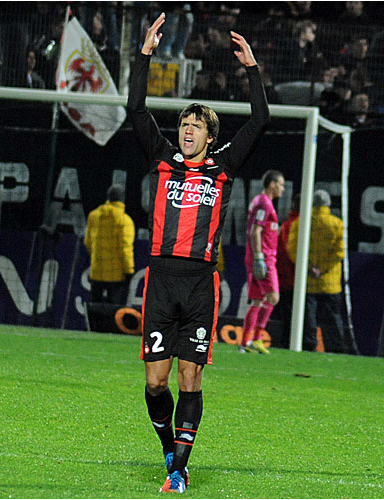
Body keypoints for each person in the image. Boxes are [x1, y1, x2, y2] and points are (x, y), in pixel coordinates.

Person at [127, 13, 268, 494]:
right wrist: (144, 56)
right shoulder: (161, 160)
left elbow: (261, 119)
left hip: (201, 284)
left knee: (191, 379)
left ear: (209, 135)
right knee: (155, 383)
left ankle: (179, 468)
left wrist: (251, 70)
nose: (186, 130)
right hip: (161, 282)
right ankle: (168, 448)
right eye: (184, 124)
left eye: (195, 126)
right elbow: (136, 109)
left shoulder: (224, 166)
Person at [287, 189, 357, 354]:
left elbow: (291, 249)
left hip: (308, 279)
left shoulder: (300, 222)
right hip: (330, 281)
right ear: (328, 204)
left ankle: (309, 346)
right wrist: (322, 269)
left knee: (308, 317)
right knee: (333, 318)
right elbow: (339, 252)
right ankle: (337, 347)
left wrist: (308, 267)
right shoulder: (336, 223)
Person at [240, 169, 285, 354]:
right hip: (263, 257)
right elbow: (256, 231)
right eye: (281, 184)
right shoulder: (265, 203)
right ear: (272, 184)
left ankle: (245, 343)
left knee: (257, 300)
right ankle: (257, 337)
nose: (282, 189)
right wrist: (259, 257)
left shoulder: (260, 202)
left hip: (258, 256)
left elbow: (261, 229)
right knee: (273, 297)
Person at [84, 184, 135, 304]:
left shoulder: (94, 215)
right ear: (122, 198)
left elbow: (88, 242)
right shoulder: (124, 220)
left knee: (94, 305)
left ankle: (94, 323)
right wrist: (129, 270)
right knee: (114, 309)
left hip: (97, 271)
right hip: (116, 274)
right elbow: (125, 248)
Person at [276, 192, 301, 344]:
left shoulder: (287, 224)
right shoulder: (295, 224)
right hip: (290, 276)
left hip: (284, 275)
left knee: (288, 313)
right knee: (291, 314)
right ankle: (288, 342)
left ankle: (288, 341)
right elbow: (289, 250)